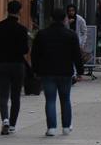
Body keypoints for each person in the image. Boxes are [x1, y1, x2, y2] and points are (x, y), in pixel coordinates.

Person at [30, 8, 84, 136]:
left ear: (51, 19)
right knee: (65, 99)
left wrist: (36, 70)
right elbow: (77, 55)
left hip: (47, 71)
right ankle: (66, 126)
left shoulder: (42, 34)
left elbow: (35, 54)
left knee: (50, 99)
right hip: (65, 71)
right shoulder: (71, 34)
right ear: (65, 20)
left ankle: (51, 128)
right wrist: (80, 71)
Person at [0, 0, 29, 135]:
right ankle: (12, 125)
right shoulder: (22, 30)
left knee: (3, 94)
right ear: (20, 12)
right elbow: (24, 50)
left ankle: (4, 118)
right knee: (16, 96)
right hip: (17, 65)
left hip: (2, 64)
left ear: (7, 9)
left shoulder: (0, 27)